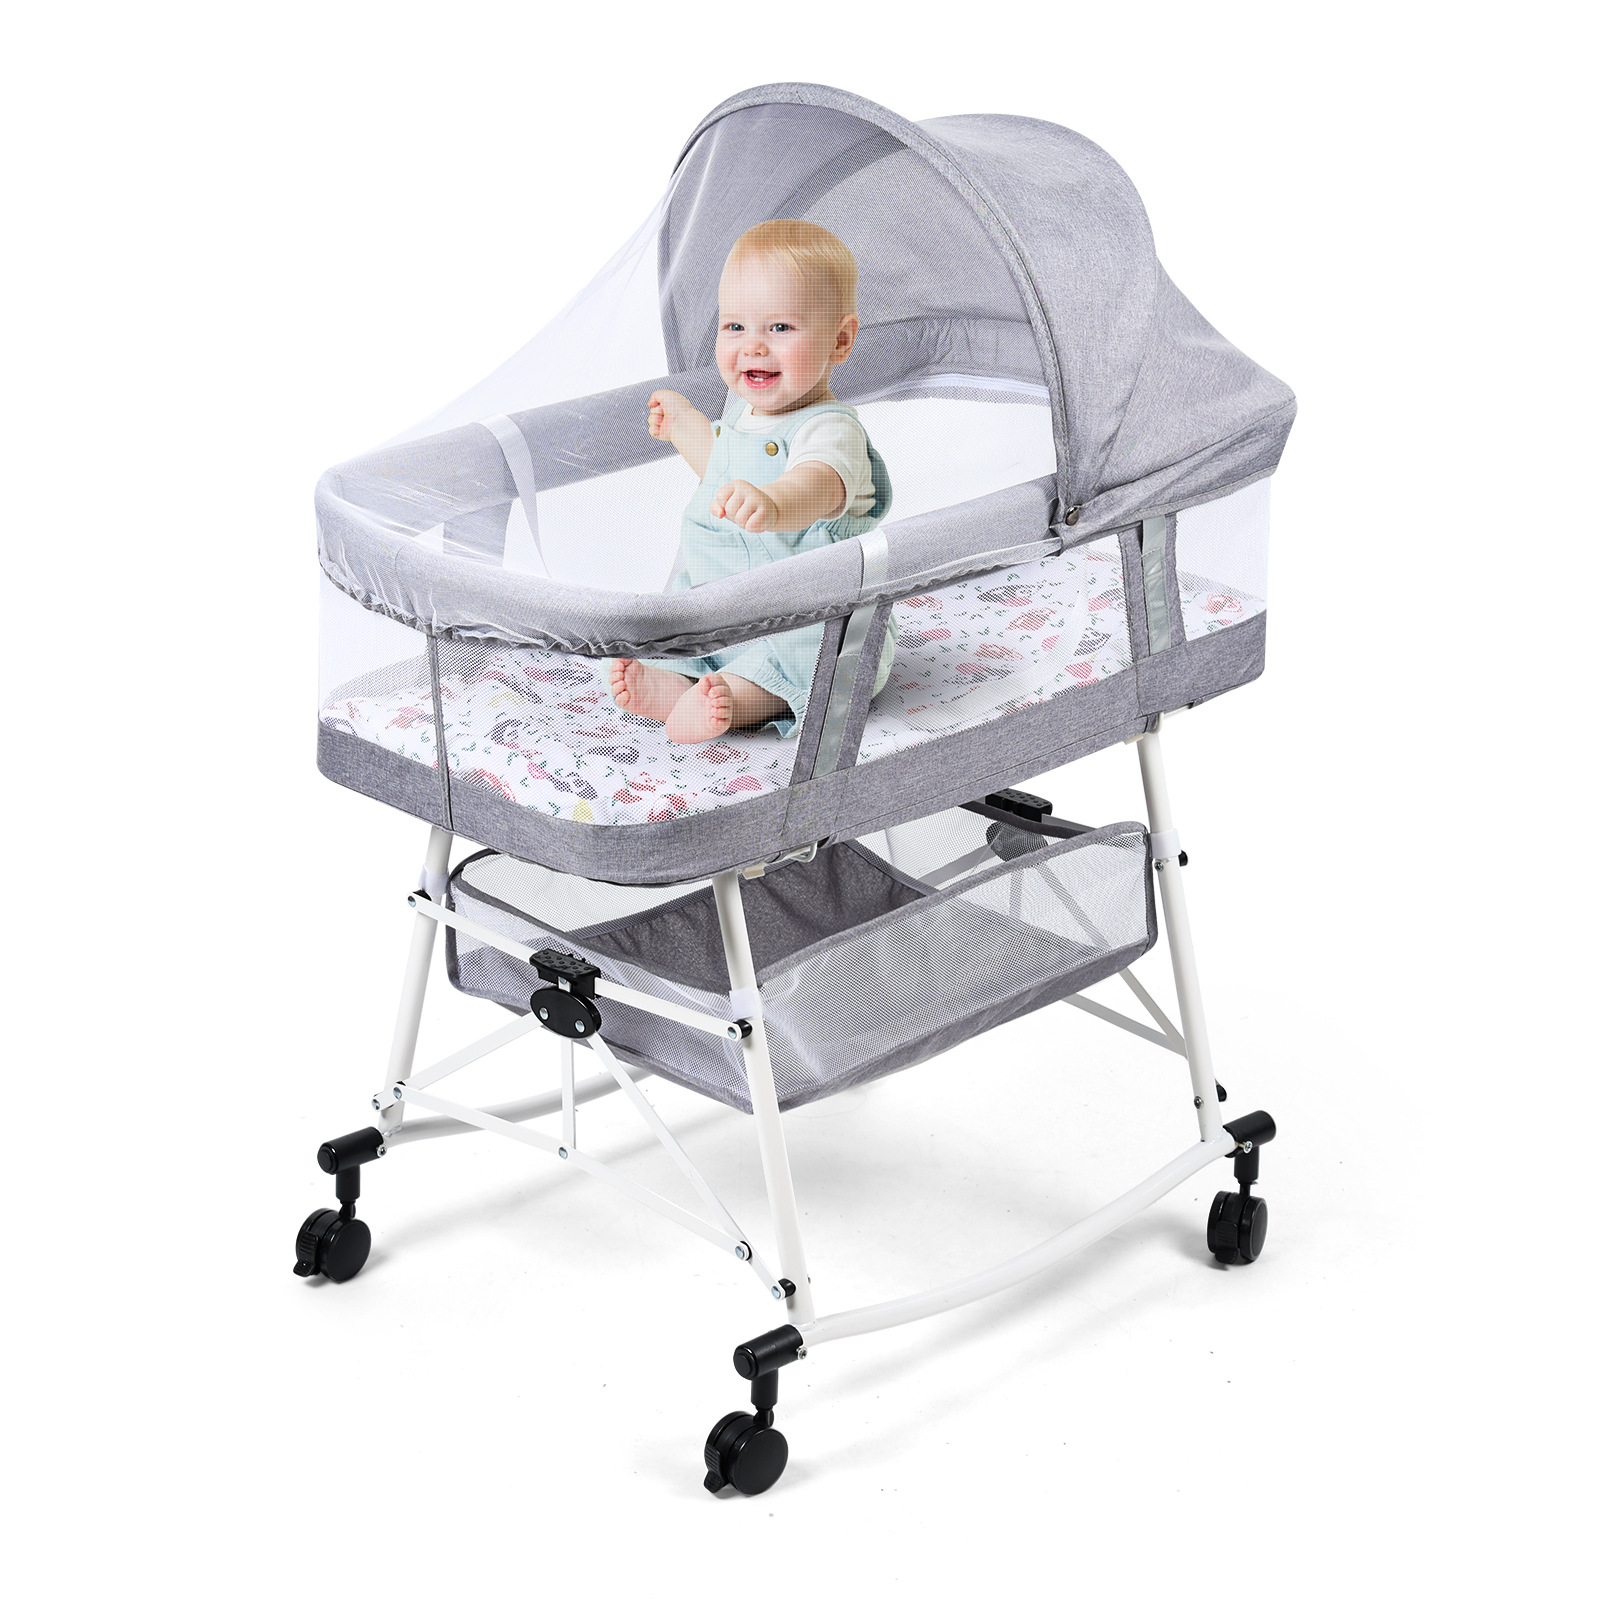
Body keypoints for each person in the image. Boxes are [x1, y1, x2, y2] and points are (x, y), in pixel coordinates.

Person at [609, 219, 893, 743]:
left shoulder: (831, 429)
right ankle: (675, 681)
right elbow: (722, 468)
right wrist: (685, 428)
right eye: (735, 326)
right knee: (687, 633)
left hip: (808, 616)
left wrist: (775, 502)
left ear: (840, 341)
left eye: (780, 328)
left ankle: (739, 701)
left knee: (808, 662)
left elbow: (818, 484)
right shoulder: (742, 413)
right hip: (721, 604)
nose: (754, 346)